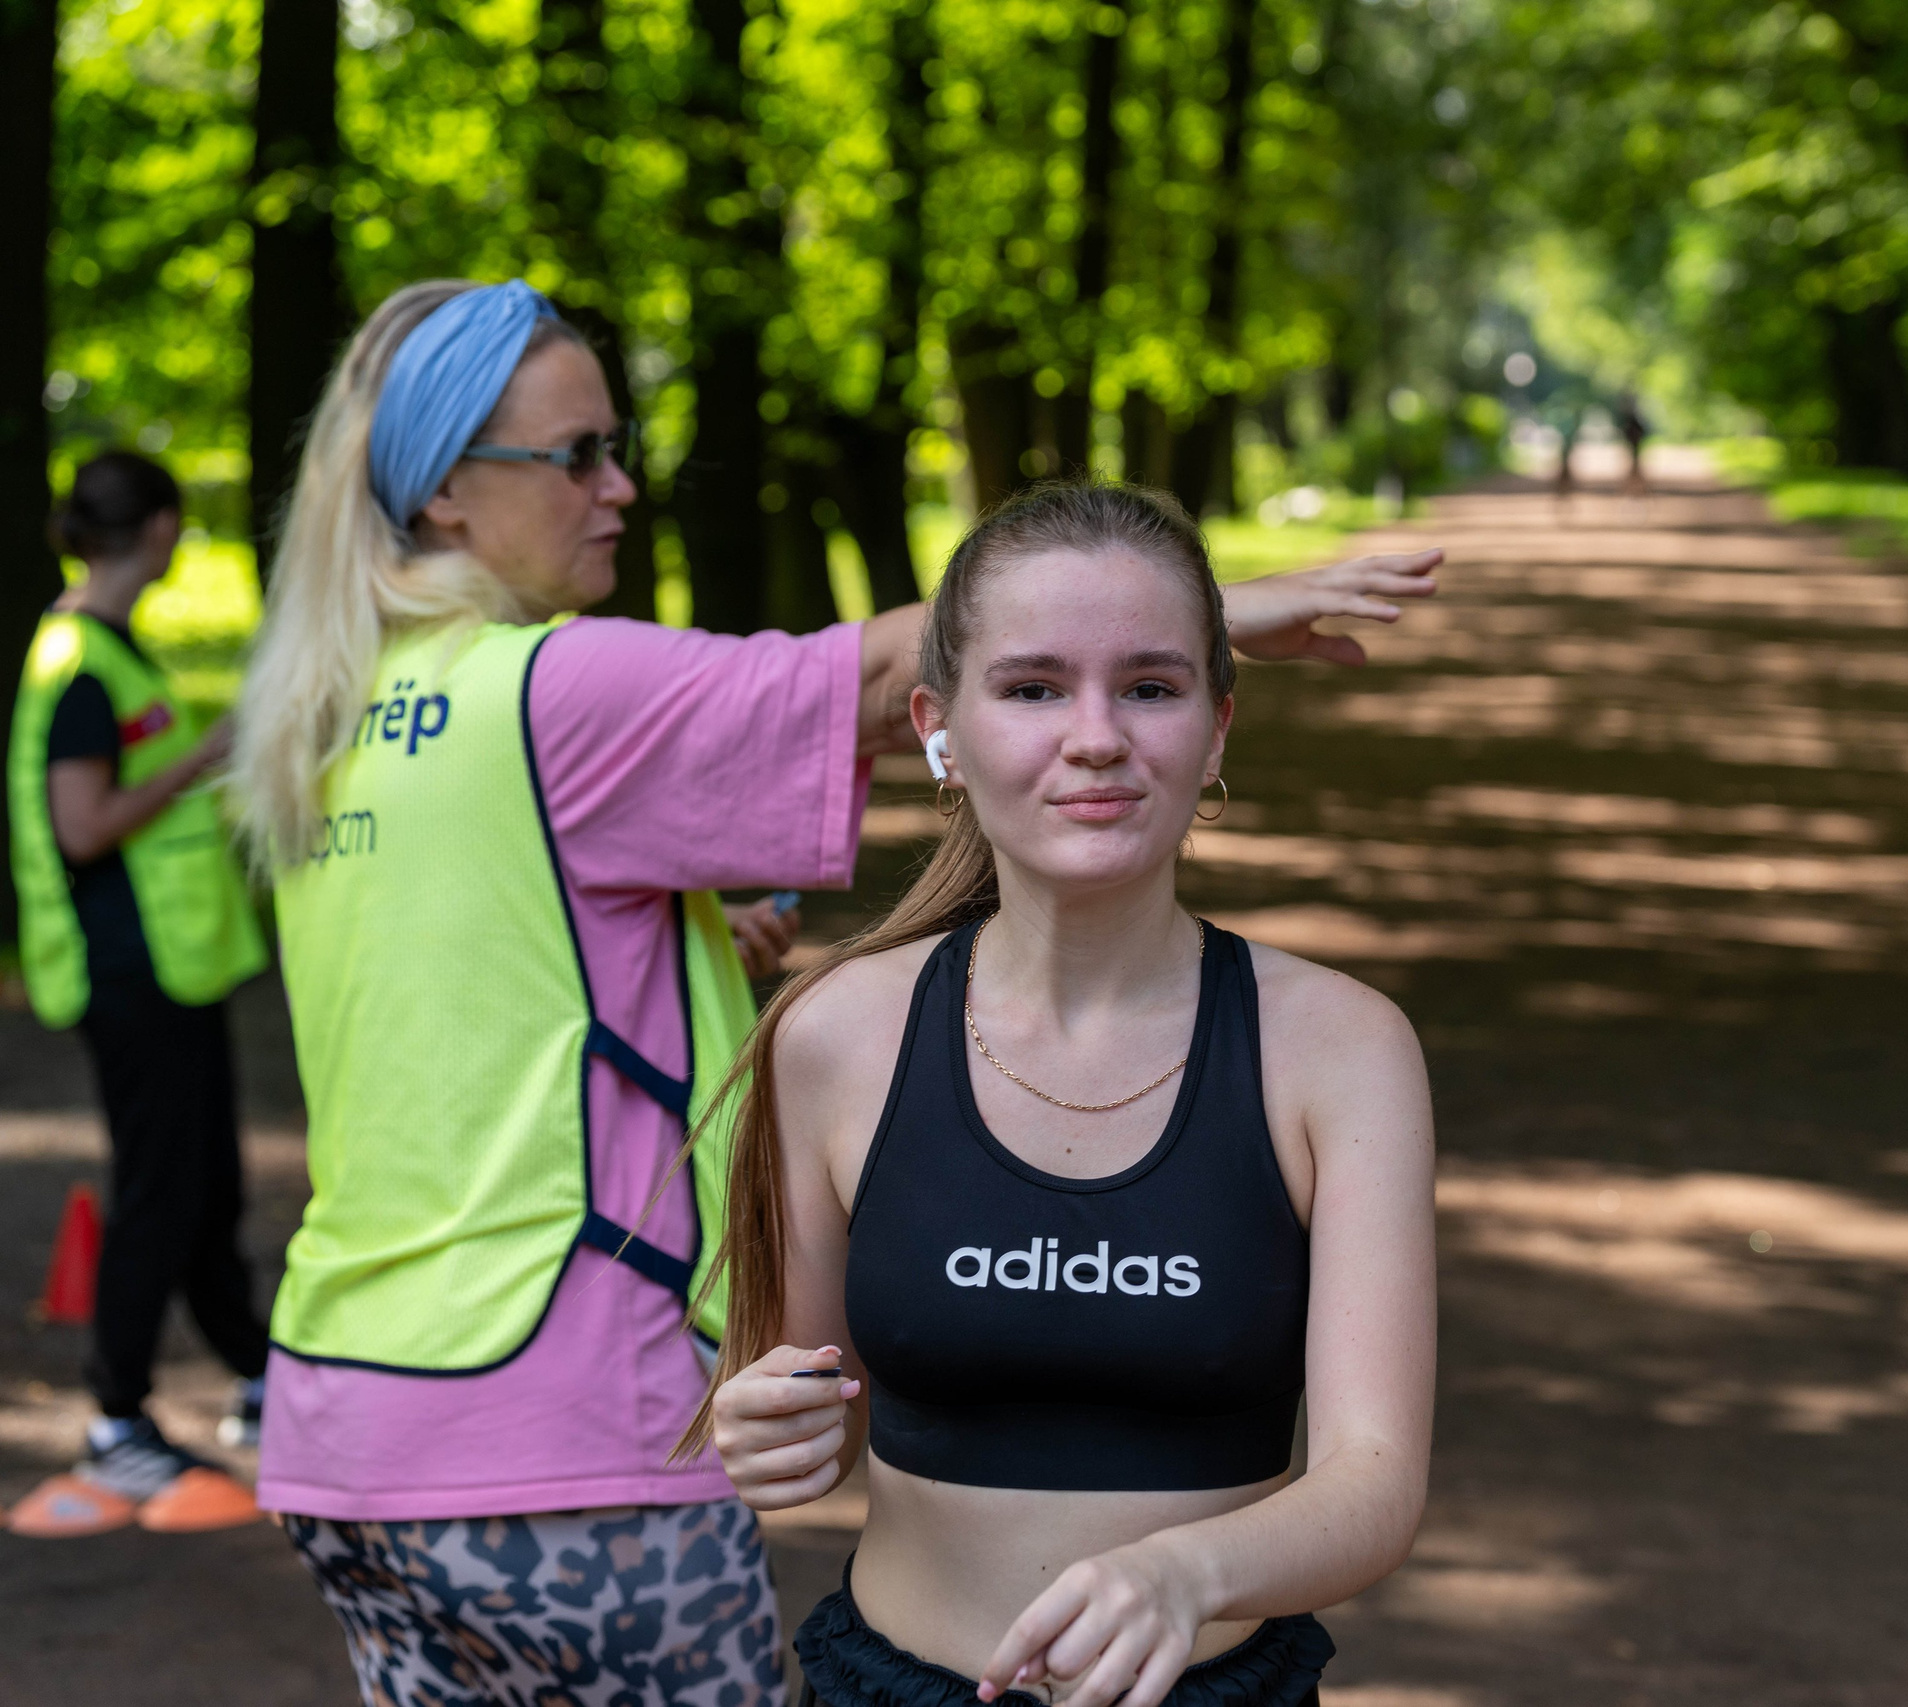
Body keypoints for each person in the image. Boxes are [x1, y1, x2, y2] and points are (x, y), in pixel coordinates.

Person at [230, 277, 1442, 1706]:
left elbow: (492, 981)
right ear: (440, 492)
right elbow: (863, 676)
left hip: (343, 1415)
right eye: (577, 454)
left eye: (1156, 686)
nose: (620, 484)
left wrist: (691, 944)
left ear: (1213, 716)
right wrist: (1208, 611)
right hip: (559, 1407)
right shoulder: (556, 694)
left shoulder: (332, 709)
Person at [700, 483, 1438, 1707]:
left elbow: (1374, 1484)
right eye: (1033, 688)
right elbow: (806, 1406)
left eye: (1149, 687)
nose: (1094, 737)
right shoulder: (834, 1034)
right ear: (941, 728)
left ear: (1215, 729)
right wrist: (761, 1427)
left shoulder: (1342, 1048)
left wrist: (1184, 1574)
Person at [3, 452, 272, 1540]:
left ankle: (262, 1381)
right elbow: (84, 826)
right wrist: (205, 757)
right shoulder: (80, 664)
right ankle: (116, 1414)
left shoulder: (97, 651)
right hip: (131, 974)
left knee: (204, 1185)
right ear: (160, 529)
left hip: (171, 969)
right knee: (164, 1190)